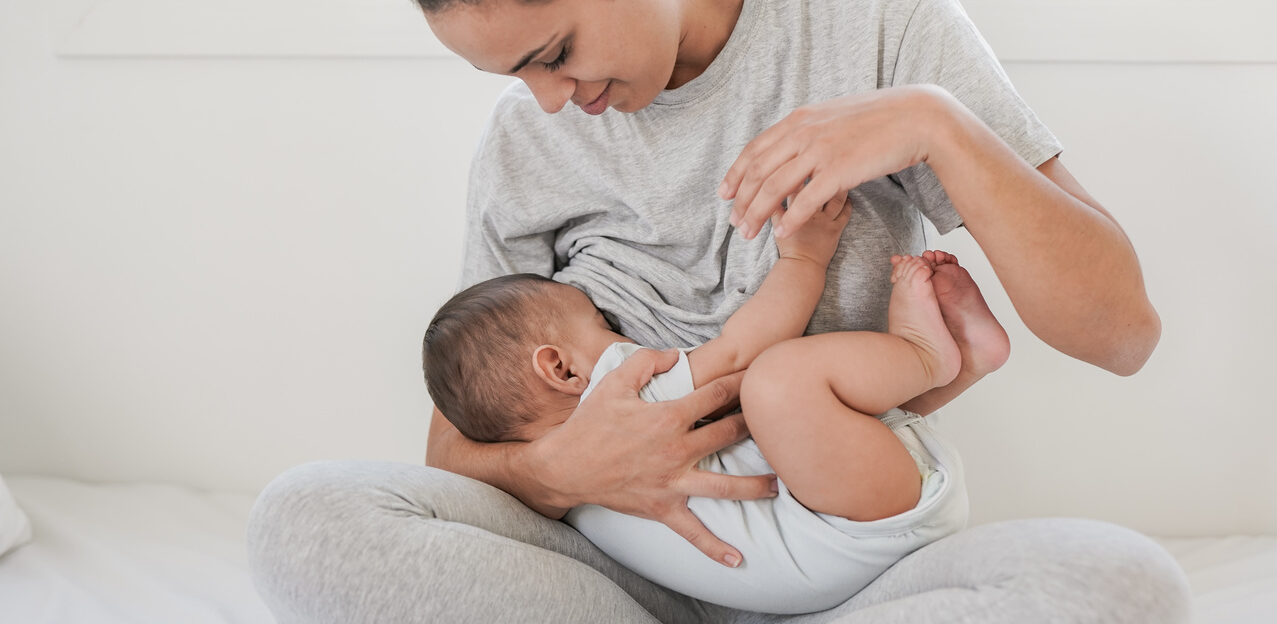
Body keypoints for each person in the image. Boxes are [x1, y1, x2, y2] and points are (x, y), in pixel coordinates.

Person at [247, 0, 1191, 621]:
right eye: (515, 77)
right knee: (307, 514)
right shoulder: (529, 146)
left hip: (846, 579)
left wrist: (935, 123)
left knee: (1118, 584)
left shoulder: (876, 28)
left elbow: (1121, 335)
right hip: (617, 586)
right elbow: (456, 448)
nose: (549, 101)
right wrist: (566, 466)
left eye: (557, 53)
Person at [424, 189, 975, 613]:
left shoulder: (564, 498)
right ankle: (928, 357)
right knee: (774, 381)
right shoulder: (616, 402)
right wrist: (805, 258)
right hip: (854, 529)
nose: (617, 330)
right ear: (561, 368)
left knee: (787, 421)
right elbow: (740, 351)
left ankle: (969, 360)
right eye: (601, 322)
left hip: (827, 559)